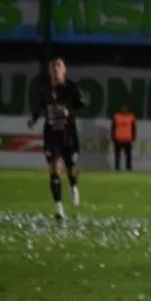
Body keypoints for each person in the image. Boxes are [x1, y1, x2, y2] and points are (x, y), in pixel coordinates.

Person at [28, 58, 85, 221]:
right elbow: (40, 106)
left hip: (68, 134)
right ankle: (58, 208)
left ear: (64, 70)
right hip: (52, 134)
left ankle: (74, 186)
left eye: (59, 66)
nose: (56, 69)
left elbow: (83, 108)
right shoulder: (45, 90)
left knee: (71, 166)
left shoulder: (72, 88)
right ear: (50, 71)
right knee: (54, 168)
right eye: (53, 67)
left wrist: (69, 112)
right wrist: (34, 119)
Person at [112, 104, 137, 171]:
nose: (124, 109)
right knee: (117, 155)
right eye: (122, 108)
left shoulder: (131, 116)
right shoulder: (116, 116)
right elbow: (113, 127)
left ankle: (128, 167)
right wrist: (113, 137)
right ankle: (117, 167)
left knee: (128, 155)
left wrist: (133, 137)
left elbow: (133, 127)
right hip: (118, 138)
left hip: (127, 138)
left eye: (125, 108)